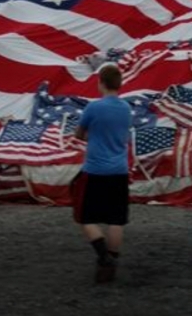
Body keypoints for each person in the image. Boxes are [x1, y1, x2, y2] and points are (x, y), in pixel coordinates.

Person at [71, 64, 133, 283]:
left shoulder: (93, 108)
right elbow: (122, 137)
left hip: (96, 170)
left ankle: (103, 257)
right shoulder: (126, 108)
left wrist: (91, 137)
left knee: (85, 217)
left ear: (101, 83)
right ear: (119, 84)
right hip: (119, 170)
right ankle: (110, 265)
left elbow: (79, 134)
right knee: (116, 220)